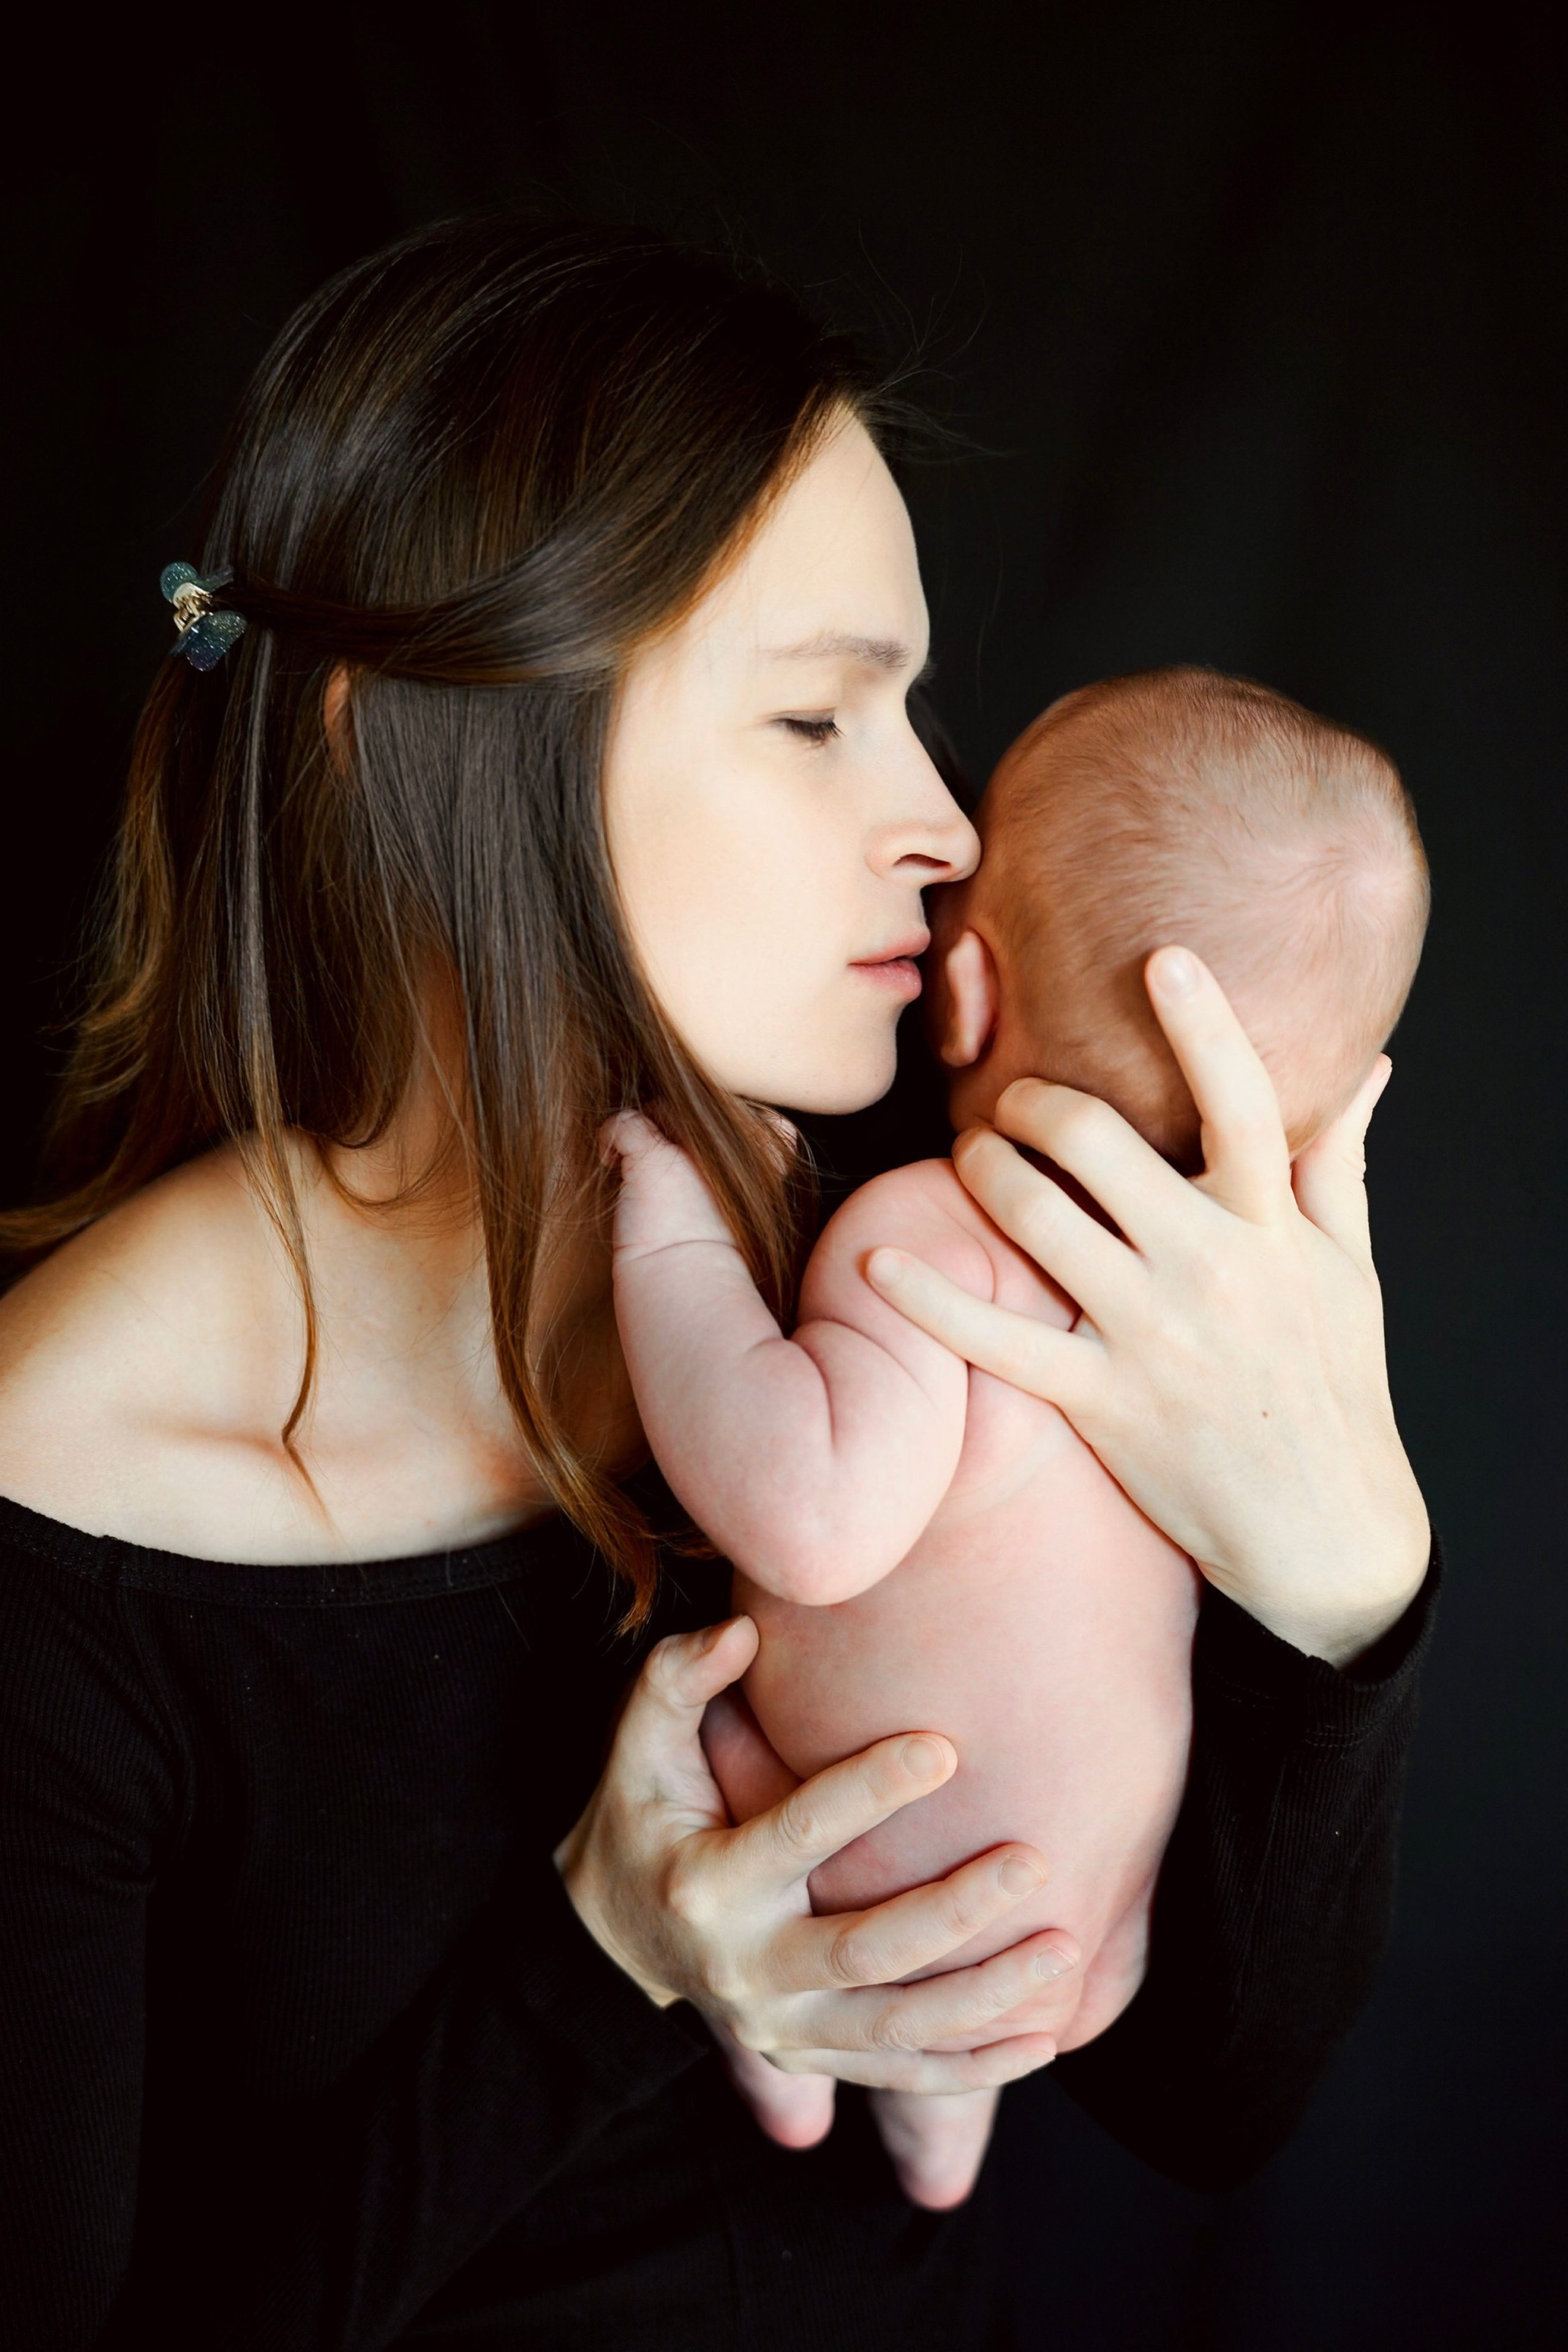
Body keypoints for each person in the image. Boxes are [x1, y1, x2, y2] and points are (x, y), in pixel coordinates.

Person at [0, 216, 1436, 2350]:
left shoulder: (912, 1234)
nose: (948, 824)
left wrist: (1347, 1597)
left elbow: (1205, 2104)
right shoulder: (65, 1508)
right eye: (817, 718)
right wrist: (607, 1963)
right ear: (417, 738)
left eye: (916, 710)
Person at [607, 665, 1429, 2212]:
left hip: (872, 1877)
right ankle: (940, 2138)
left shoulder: (934, 1229)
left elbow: (809, 1516)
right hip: (1093, 1945)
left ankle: (793, 2068)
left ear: (964, 989)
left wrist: (668, 1231)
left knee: (714, 1737)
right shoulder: (1251, 1337)